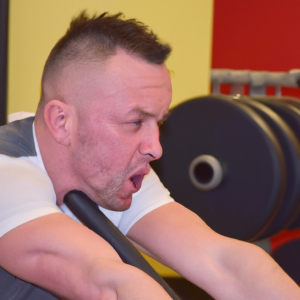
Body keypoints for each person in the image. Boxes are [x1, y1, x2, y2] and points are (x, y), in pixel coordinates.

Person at [0, 11, 299, 300]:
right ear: (61, 122)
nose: (155, 148)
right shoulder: (7, 172)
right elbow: (109, 280)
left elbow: (223, 263)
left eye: (159, 123)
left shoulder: (109, 171)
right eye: (135, 122)